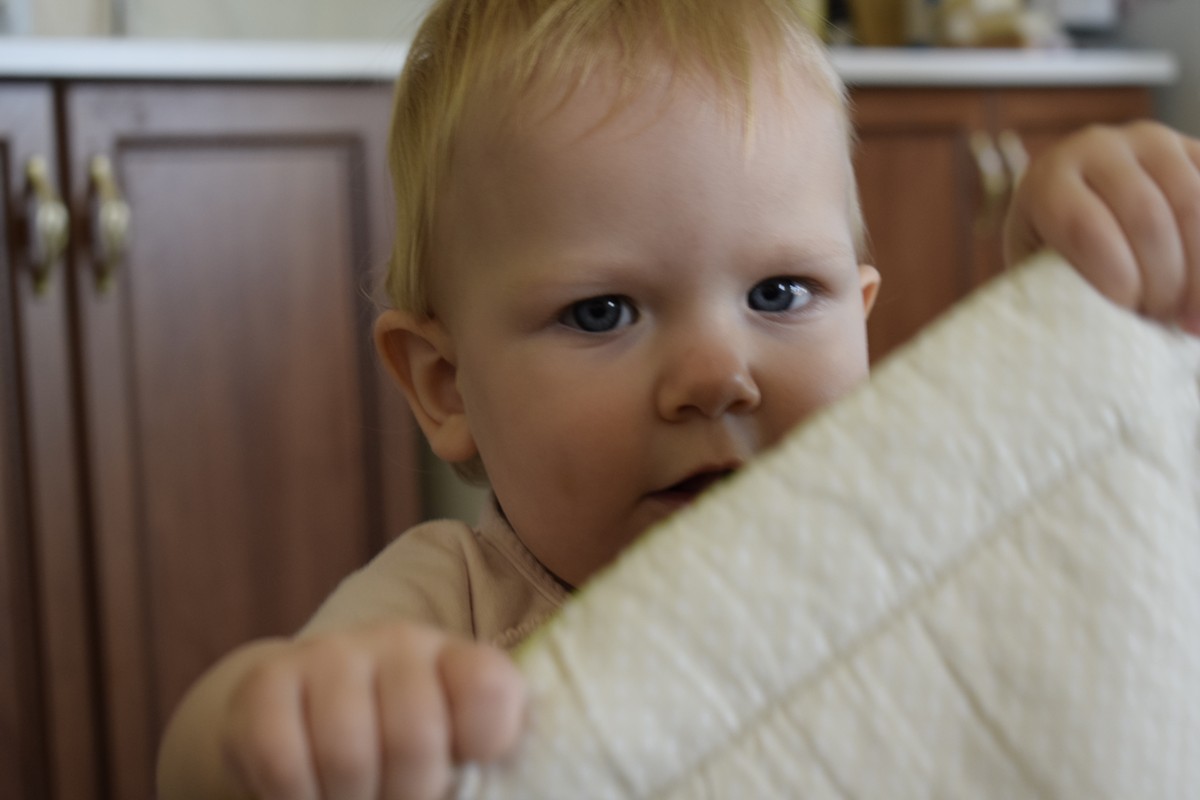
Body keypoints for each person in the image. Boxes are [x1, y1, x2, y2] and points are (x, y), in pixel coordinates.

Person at [157, 1, 1200, 798]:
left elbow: (1075, 494)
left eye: (779, 293)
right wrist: (284, 722)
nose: (716, 375)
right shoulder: (454, 613)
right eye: (603, 311)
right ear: (445, 384)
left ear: (864, 317)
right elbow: (202, 767)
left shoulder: (905, 529)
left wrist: (1082, 298)